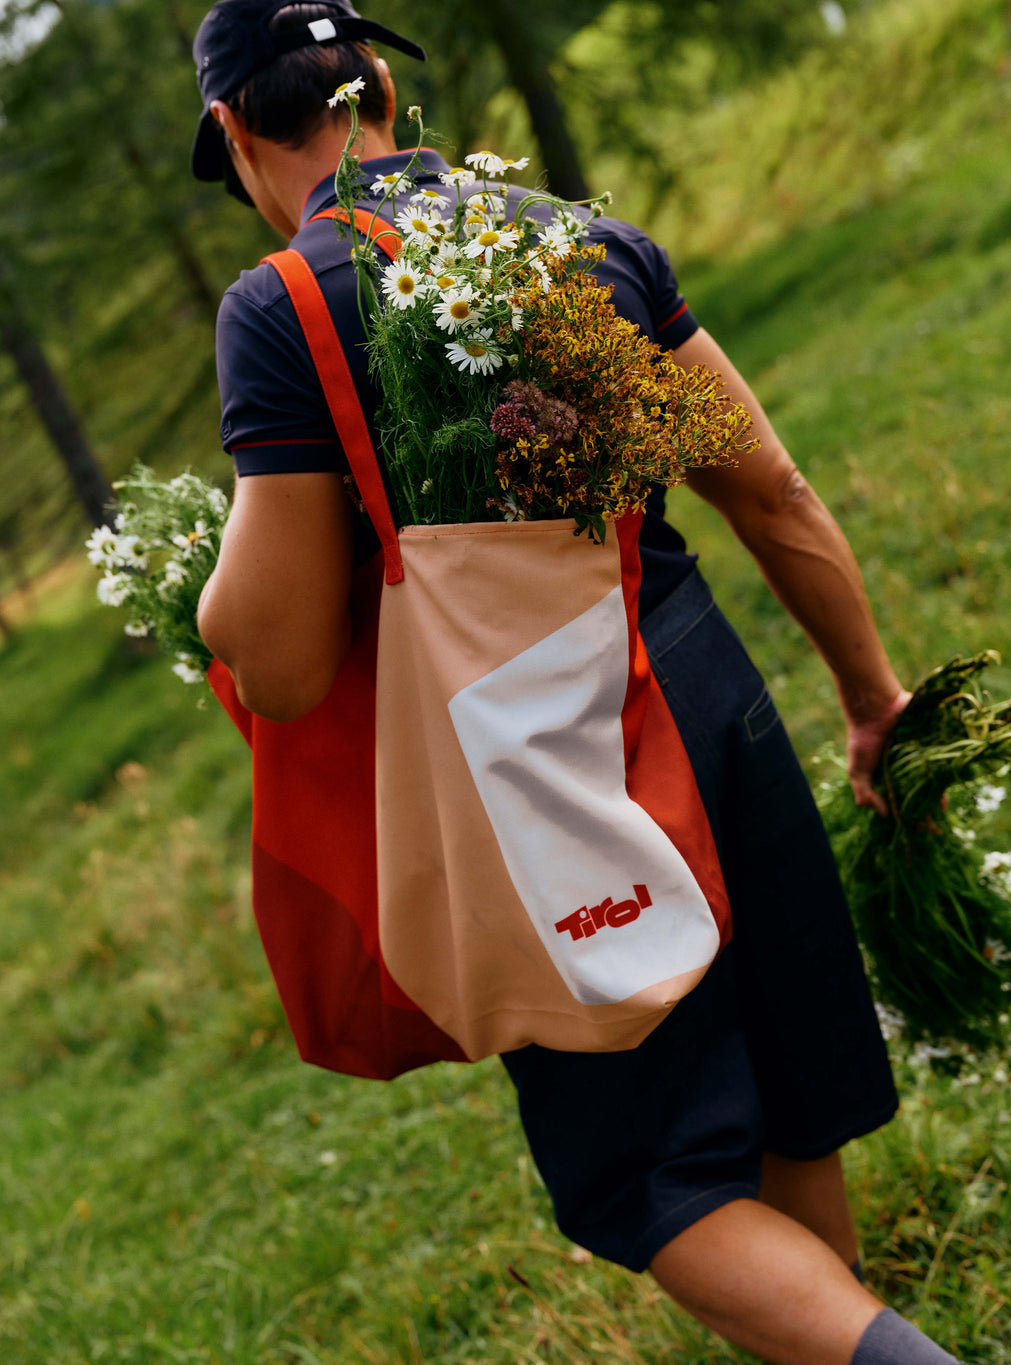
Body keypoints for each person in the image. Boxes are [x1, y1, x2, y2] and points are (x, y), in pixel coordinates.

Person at [190, 4, 962, 1362]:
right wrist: (870, 696)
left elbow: (290, 667)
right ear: (381, 86)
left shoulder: (284, 307)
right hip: (707, 694)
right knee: (788, 1094)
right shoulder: (572, 238)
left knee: (656, 1177)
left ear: (233, 131)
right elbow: (771, 493)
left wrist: (211, 599)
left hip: (545, 770)